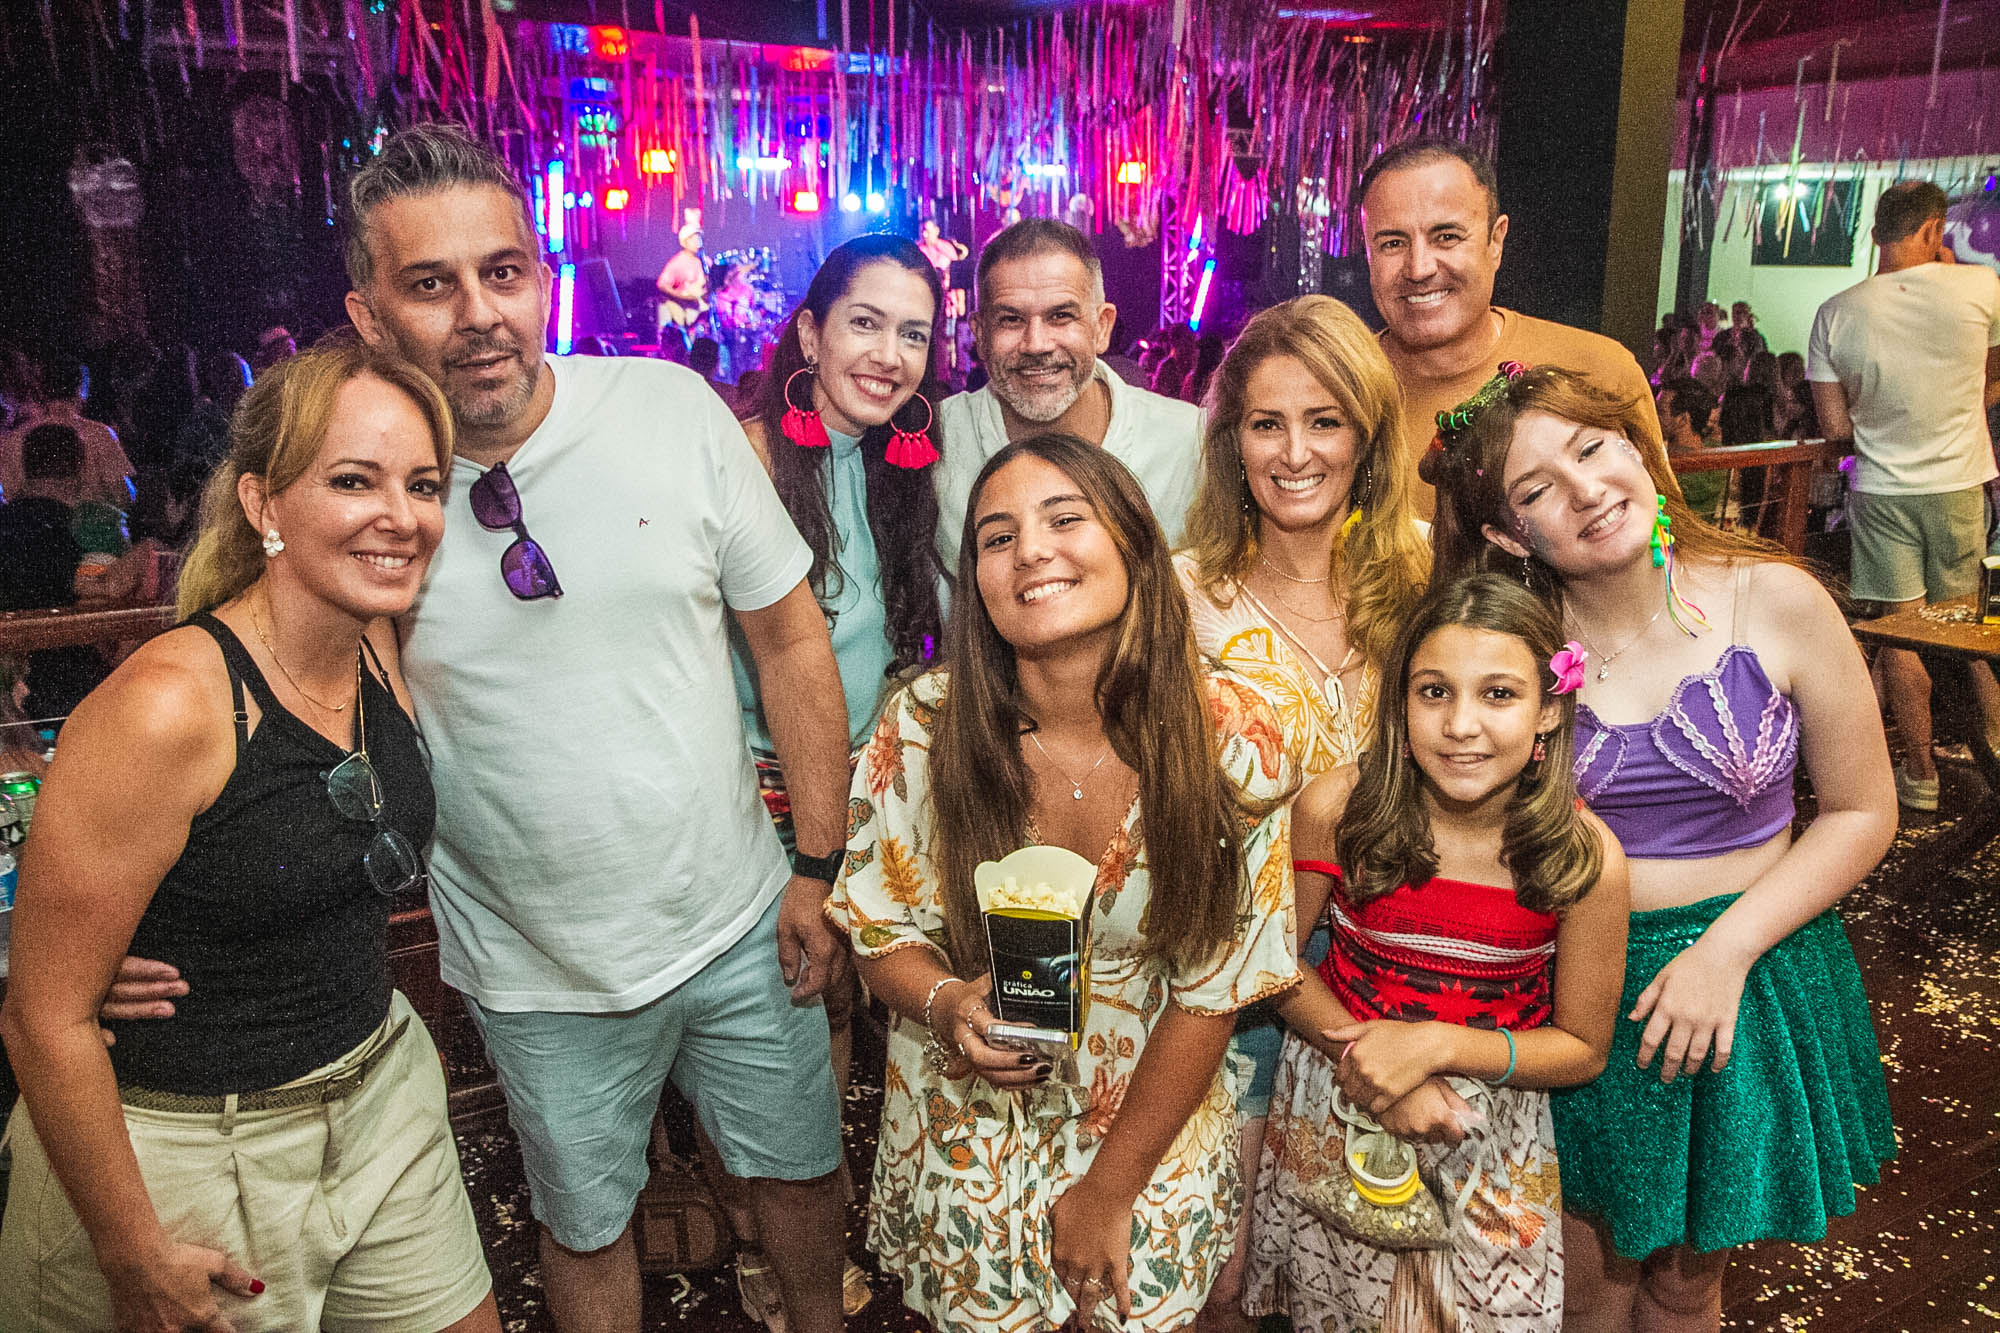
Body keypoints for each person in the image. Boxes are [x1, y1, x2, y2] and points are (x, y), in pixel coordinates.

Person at [0, 337, 502, 1333]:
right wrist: (130, 1250)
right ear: (264, 504)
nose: (401, 515)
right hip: (186, 1153)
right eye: (354, 480)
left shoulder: (372, 636)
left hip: (379, 1100)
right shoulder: (165, 707)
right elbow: (42, 1016)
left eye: (421, 484)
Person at [1427, 362, 1898, 1332]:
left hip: (1744, 975)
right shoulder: (1508, 652)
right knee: (1581, 1282)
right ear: (1505, 532)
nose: (1585, 489)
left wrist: (1725, 952)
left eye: (1591, 448)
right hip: (1570, 989)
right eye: (1536, 488)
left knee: (1686, 1282)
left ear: (1638, 450)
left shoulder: (1774, 600)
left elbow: (1861, 810)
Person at [828, 434, 1300, 1333]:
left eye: (1064, 519)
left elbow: (1214, 989)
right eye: (997, 537)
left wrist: (1109, 1190)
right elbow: (879, 929)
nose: (1031, 551)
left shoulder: (1234, 732)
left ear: (1134, 544)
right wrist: (947, 1006)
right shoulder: (924, 724)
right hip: (969, 1121)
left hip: (1150, 1120)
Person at [1246, 571, 1629, 1330]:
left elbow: (1584, 1048)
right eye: (1434, 692)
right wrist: (1382, 1076)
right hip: (1339, 1097)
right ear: (1400, 701)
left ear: (1549, 709)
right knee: (1339, 1311)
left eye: (1498, 694)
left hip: (1489, 1131)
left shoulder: (1584, 857)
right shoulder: (1339, 808)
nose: (1460, 724)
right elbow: (1270, 960)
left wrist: (1435, 1046)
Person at [1173, 294, 1431, 1332]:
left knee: (1374, 1281)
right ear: (1230, 440)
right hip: (1237, 986)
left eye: (1324, 421)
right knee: (1225, 1279)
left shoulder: (1427, 574)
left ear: (1367, 435)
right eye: (1265, 423)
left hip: (1399, 977)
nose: (1293, 453)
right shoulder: (1181, 596)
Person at [728, 230, 952, 1328]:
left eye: (913, 333)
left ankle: (833, 1222)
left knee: (856, 1007)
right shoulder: (745, 458)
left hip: (872, 790)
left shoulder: (900, 469)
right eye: (864, 323)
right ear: (809, 333)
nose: (888, 354)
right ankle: (771, 1249)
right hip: (761, 795)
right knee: (787, 1023)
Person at [1809, 180, 2000, 810]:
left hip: (1881, 490)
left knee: (1901, 634)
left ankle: (1920, 776)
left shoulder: (1836, 311)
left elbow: (1834, 426)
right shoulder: (1982, 286)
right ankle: (1995, 748)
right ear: (1933, 230)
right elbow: (1993, 376)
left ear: (1874, 236)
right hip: (1960, 484)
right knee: (1974, 628)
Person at [1357, 138, 1660, 520]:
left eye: (1447, 237)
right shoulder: (1340, 390)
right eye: (1392, 243)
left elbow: (1669, 542)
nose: (1419, 268)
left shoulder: (1597, 370)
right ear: (1368, 252)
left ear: (1496, 242)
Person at [931, 218, 1204, 567]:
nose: (1036, 344)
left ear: (1101, 327)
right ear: (980, 334)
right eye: (1011, 319)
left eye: (1060, 316)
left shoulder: (1186, 441)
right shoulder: (935, 442)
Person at [0, 353, 135, 508]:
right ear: (81, 390)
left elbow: (6, 494)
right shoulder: (100, 434)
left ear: (42, 389)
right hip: (86, 523)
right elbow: (123, 495)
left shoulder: (18, 437)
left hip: (34, 522)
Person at [1658, 376, 1727, 524]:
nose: (1654, 416)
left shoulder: (1668, 468)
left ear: (1683, 419)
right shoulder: (1717, 457)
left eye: (1660, 411)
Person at [656, 209, 711, 349]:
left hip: (699, 314)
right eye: (694, 238)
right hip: (684, 313)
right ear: (685, 242)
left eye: (699, 238)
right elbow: (662, 284)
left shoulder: (704, 262)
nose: (698, 242)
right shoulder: (678, 262)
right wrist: (683, 297)